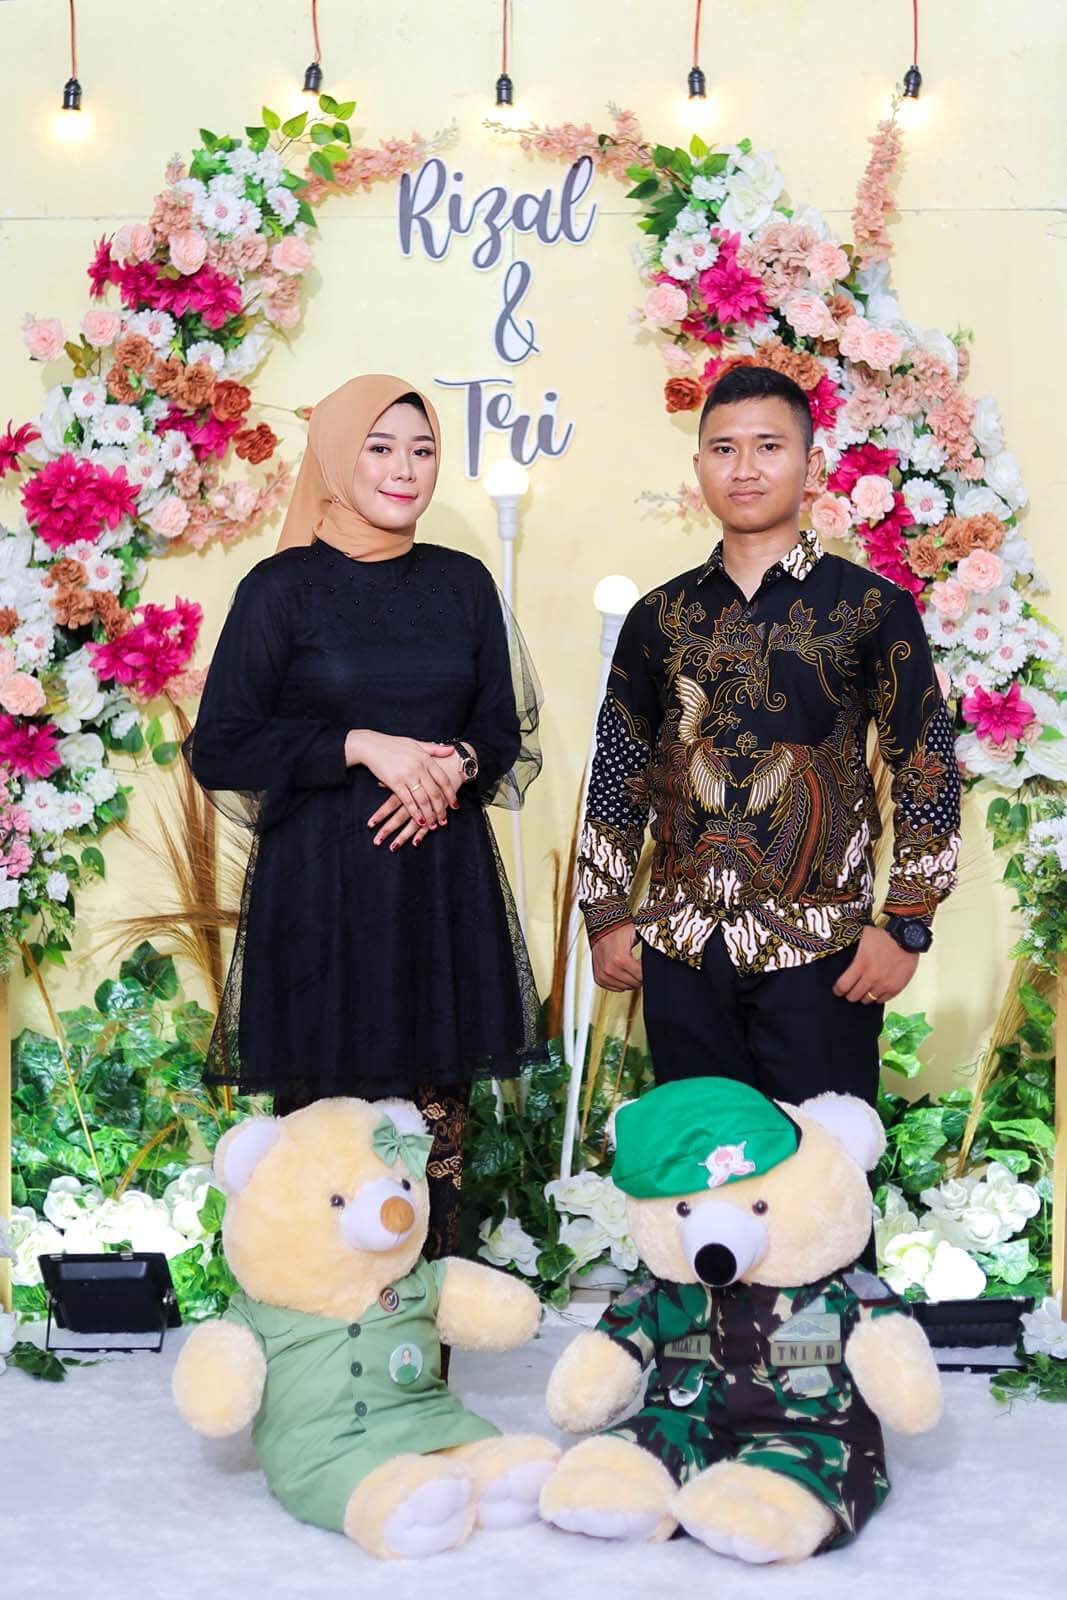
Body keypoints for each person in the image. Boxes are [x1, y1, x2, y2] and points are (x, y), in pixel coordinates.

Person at [185, 374, 543, 1262]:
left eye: (422, 450)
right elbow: (220, 745)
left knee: (432, 1131)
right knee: (325, 1139)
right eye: (380, 448)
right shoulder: (282, 589)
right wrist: (357, 745)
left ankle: (427, 1313)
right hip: (322, 891)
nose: (404, 469)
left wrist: (456, 765)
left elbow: (500, 731)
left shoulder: (461, 584)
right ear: (338, 459)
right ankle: (320, 1313)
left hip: (440, 886)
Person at [578, 365, 961, 1107]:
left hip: (824, 953)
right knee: (702, 1167)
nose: (744, 469)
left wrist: (907, 926)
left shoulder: (871, 607)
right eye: (724, 449)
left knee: (823, 1166)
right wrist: (605, 914)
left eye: (768, 447)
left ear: (811, 465)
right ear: (698, 466)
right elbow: (620, 770)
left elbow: (928, 766)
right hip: (680, 949)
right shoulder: (658, 618)